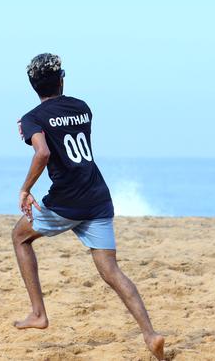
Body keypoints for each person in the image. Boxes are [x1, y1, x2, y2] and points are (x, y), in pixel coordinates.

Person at [11, 53, 164, 360]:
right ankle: (151, 334)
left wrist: (26, 188)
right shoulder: (83, 108)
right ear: (62, 80)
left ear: (32, 86)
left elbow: (42, 153)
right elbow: (64, 131)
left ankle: (38, 313)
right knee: (111, 270)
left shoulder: (32, 118)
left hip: (67, 201)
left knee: (19, 237)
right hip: (97, 197)